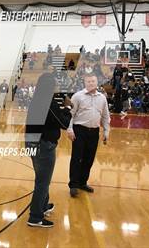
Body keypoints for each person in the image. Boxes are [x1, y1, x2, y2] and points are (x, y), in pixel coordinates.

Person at [25, 73, 72, 227]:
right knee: (42, 182)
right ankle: (35, 217)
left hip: (33, 143)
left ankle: (43, 207)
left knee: (41, 178)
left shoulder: (37, 99)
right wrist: (67, 108)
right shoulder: (48, 102)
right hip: (42, 146)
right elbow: (63, 123)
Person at [67, 74, 110, 198]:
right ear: (85, 83)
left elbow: (106, 116)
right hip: (79, 130)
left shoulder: (102, 98)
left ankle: (82, 182)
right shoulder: (77, 96)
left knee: (89, 159)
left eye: (93, 81)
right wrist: (70, 129)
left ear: (97, 83)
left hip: (94, 132)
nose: (91, 83)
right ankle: (74, 185)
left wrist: (106, 131)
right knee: (77, 158)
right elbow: (70, 114)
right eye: (88, 81)